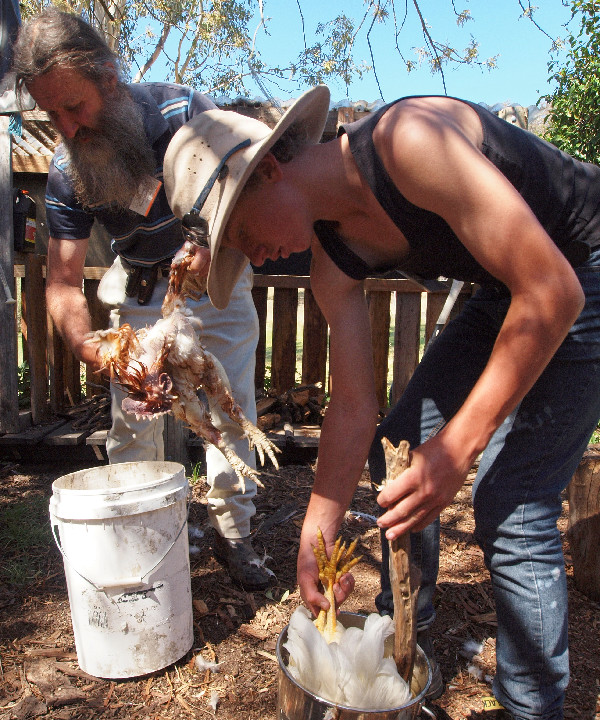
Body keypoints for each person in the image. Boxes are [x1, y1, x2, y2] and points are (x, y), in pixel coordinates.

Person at [162, 85, 600, 719]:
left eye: (238, 231)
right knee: (399, 436)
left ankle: (533, 709)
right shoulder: (331, 263)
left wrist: (455, 451)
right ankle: (402, 639)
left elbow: (553, 293)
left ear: (271, 171)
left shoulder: (410, 141)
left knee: (512, 501)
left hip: (582, 266)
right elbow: (353, 405)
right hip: (505, 284)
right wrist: (318, 529)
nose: (248, 256)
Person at [12, 7, 273, 591]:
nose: (66, 128)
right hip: (140, 291)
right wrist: (92, 347)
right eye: (50, 113)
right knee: (133, 424)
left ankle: (236, 534)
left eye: (73, 107)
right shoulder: (64, 170)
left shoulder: (187, 112)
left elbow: (250, 189)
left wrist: (209, 240)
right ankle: (145, 530)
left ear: (109, 77)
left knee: (229, 412)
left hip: (217, 281)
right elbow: (61, 279)